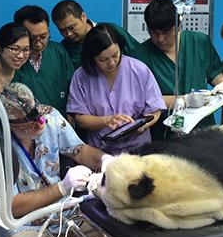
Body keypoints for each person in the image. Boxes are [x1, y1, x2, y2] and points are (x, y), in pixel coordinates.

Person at [0, 82, 111, 237]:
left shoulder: (50, 117)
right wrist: (62, 188)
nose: (40, 124)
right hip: (21, 225)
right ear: (10, 125)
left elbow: (80, 151)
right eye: (30, 126)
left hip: (64, 214)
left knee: (113, 235)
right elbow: (13, 207)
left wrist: (105, 159)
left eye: (40, 119)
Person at [130, 0, 223, 140]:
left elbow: (215, 74)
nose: (160, 38)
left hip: (202, 131)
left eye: (166, 32)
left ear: (179, 24)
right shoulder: (139, 56)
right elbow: (143, 99)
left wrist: (222, 86)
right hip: (163, 135)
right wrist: (185, 100)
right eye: (154, 32)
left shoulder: (199, 42)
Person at [67, 24, 165, 155]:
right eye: (103, 59)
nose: (111, 63)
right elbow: (80, 119)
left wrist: (143, 125)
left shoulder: (139, 70)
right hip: (100, 152)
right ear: (91, 57)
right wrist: (106, 120)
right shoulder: (81, 76)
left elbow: (155, 110)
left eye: (115, 55)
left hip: (139, 149)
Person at [13, 5, 75, 115]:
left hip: (61, 123)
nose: (38, 43)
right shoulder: (13, 59)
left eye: (43, 36)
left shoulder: (58, 52)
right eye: (32, 38)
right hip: (25, 126)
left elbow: (73, 91)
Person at [51, 0, 139, 69]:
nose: (68, 34)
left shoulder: (111, 31)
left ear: (83, 17)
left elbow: (138, 57)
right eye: (62, 30)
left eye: (72, 27)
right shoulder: (64, 49)